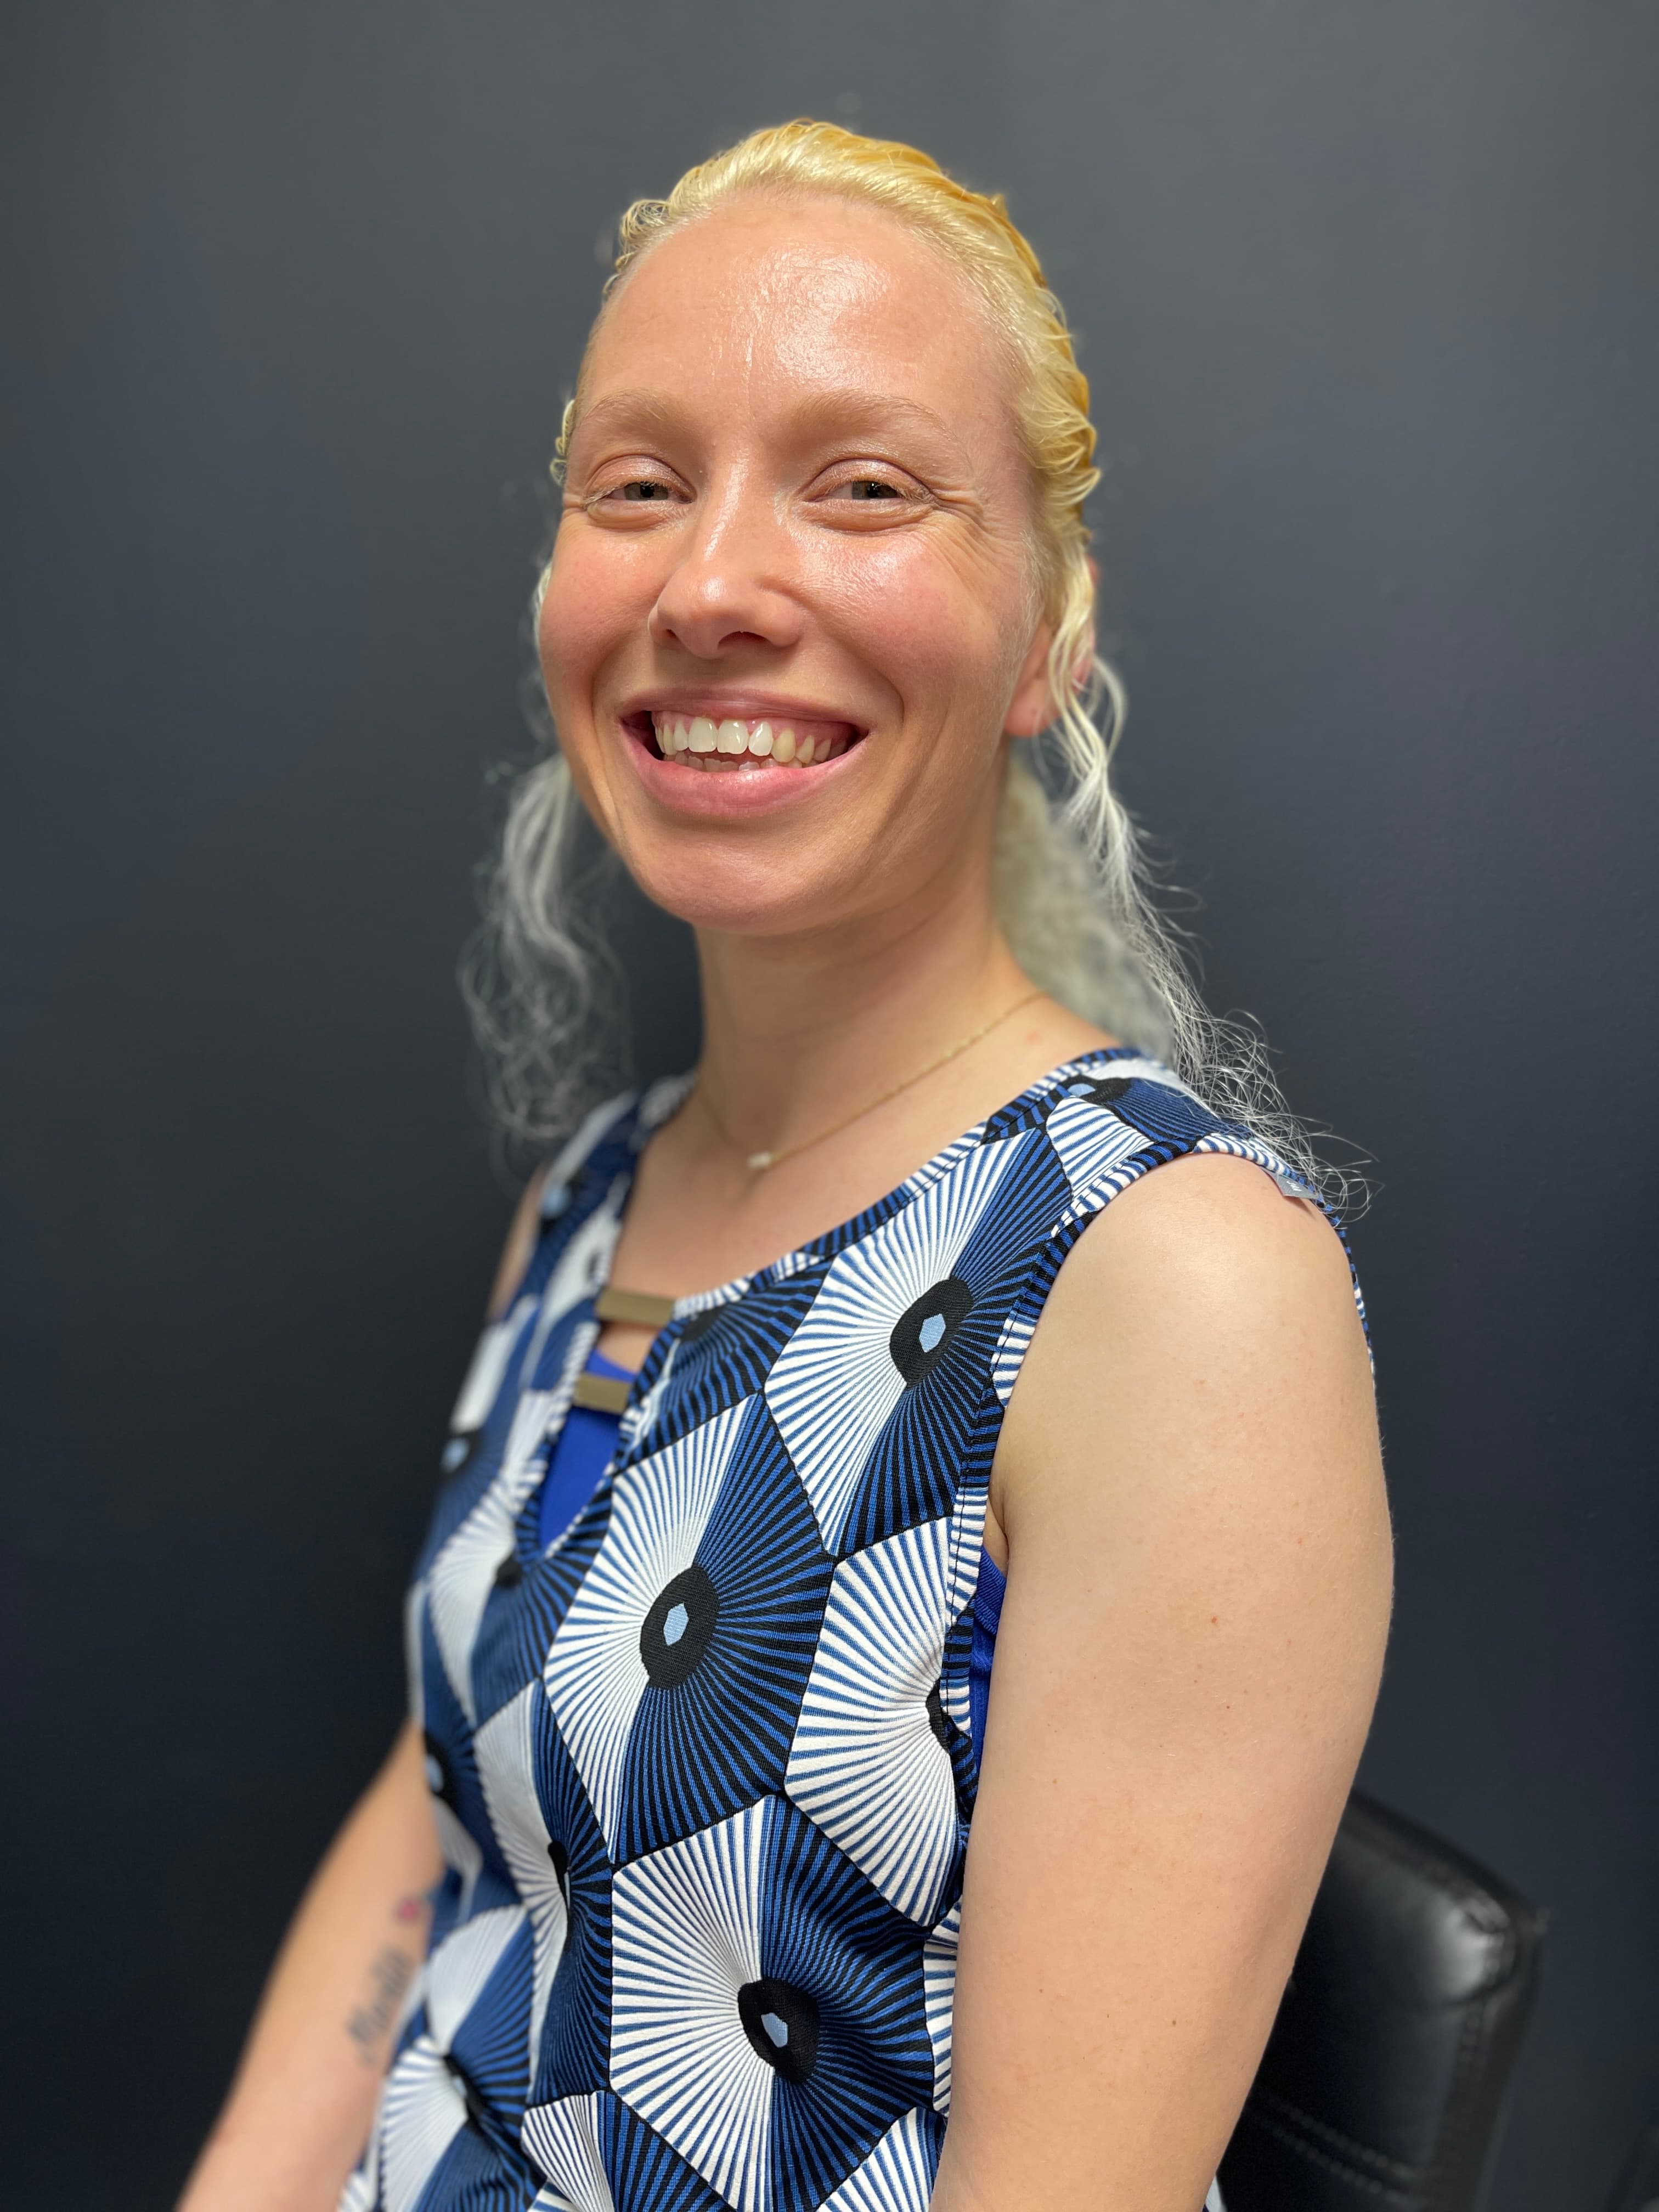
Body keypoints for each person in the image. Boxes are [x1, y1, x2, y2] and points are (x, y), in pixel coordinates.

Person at [179, 121, 1390, 2212]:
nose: (713, 585)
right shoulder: (593, 1202)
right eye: (638, 487)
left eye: (864, 487)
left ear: (1046, 637)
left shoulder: (1165, 1285)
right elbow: (441, 1817)